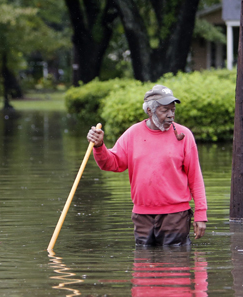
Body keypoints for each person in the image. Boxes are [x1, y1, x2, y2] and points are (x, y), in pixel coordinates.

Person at [86, 84, 207, 246]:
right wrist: (99, 146)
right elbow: (111, 164)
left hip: (175, 216)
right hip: (142, 216)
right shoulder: (132, 134)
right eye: (165, 110)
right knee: (143, 265)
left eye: (173, 110)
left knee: (176, 264)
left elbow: (195, 178)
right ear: (150, 111)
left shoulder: (184, 136)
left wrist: (201, 215)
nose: (171, 115)